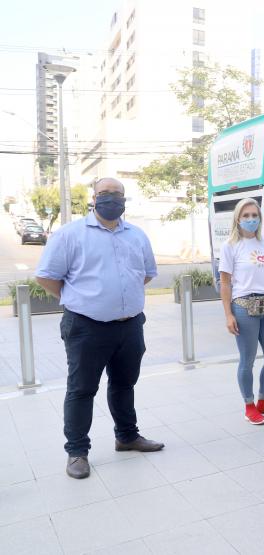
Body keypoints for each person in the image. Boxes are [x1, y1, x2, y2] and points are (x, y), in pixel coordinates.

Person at [35, 178, 164, 480]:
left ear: (124, 199)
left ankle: (127, 436)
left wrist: (120, 298)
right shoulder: (70, 235)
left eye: (117, 194)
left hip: (130, 326)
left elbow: (146, 274)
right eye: (104, 193)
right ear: (93, 199)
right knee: (82, 389)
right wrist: (79, 299)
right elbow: (46, 276)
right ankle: (77, 451)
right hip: (85, 326)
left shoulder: (137, 235)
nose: (111, 199)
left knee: (124, 384)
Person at [219, 198, 264, 425]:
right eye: (246, 216)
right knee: (247, 360)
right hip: (244, 307)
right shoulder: (230, 246)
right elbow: (225, 283)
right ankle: (249, 406)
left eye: (254, 215)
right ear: (238, 219)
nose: (251, 219)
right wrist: (228, 315)